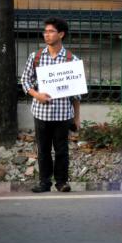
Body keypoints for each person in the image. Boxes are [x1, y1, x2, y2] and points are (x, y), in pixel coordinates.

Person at [21, 17, 81, 193]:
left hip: (63, 114)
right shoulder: (36, 57)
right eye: (45, 31)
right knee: (43, 150)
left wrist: (77, 118)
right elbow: (25, 81)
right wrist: (37, 95)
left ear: (61, 34)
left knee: (62, 150)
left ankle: (62, 182)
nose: (46, 35)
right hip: (41, 113)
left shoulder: (71, 59)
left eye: (51, 31)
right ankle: (44, 182)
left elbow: (76, 93)